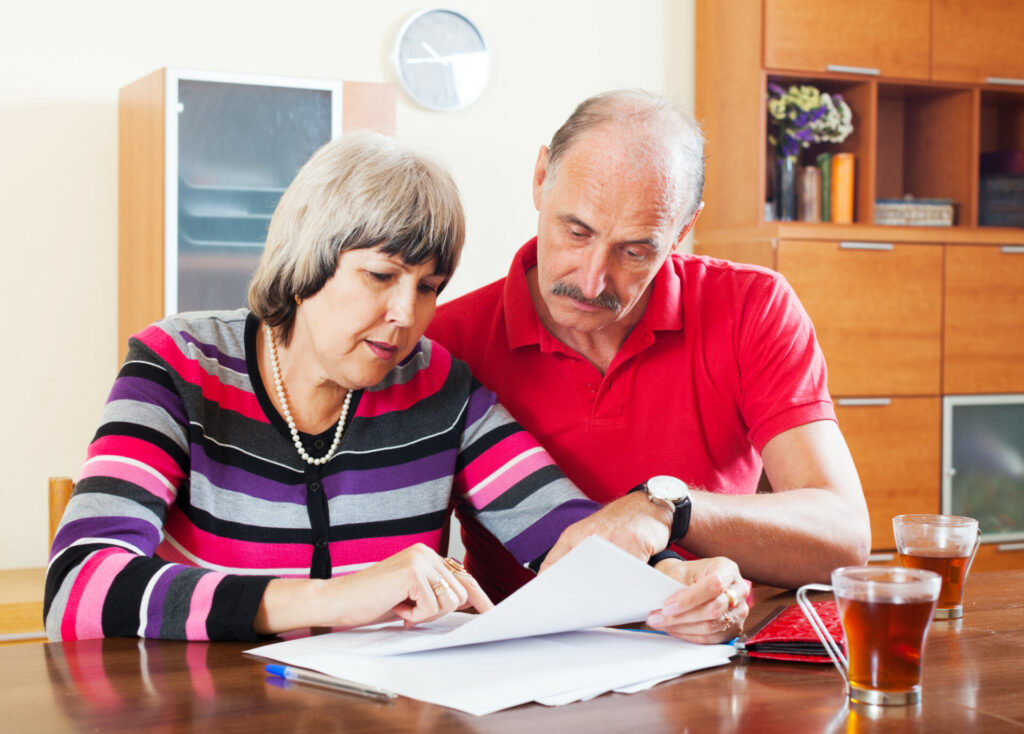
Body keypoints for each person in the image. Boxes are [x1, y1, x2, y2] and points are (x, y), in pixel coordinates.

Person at [45, 131, 748, 644]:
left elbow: (569, 539)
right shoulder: (178, 366)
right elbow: (78, 586)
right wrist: (337, 600)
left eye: (430, 288)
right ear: (308, 258)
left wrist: (676, 585)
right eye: (380, 276)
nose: (406, 316)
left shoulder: (439, 387)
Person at [427, 90, 872, 611]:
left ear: (683, 229)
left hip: (707, 658)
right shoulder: (444, 341)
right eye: (576, 232)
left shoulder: (752, 307)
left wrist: (666, 509)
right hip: (521, 663)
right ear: (541, 178)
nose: (592, 282)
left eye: (635, 251)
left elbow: (843, 539)